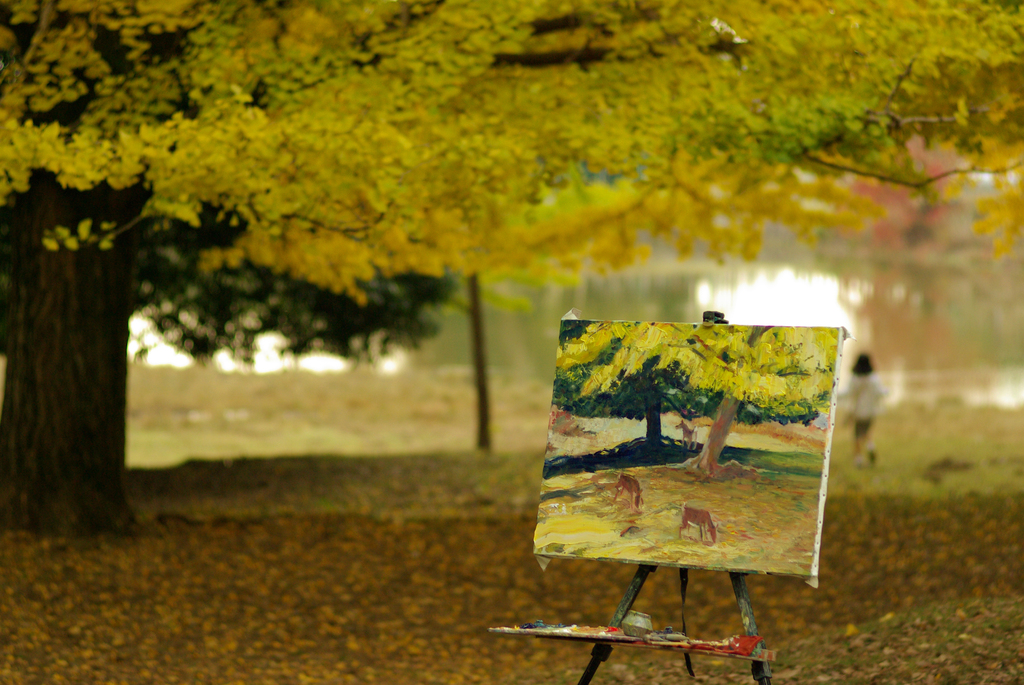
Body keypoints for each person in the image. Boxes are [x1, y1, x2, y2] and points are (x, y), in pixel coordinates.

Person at [843, 353, 887, 468]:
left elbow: (847, 392)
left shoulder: (854, 378)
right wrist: (888, 391)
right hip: (871, 411)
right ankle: (870, 446)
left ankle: (858, 460)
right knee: (867, 431)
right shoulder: (874, 379)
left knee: (857, 435)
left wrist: (832, 395)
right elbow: (880, 392)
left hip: (858, 412)